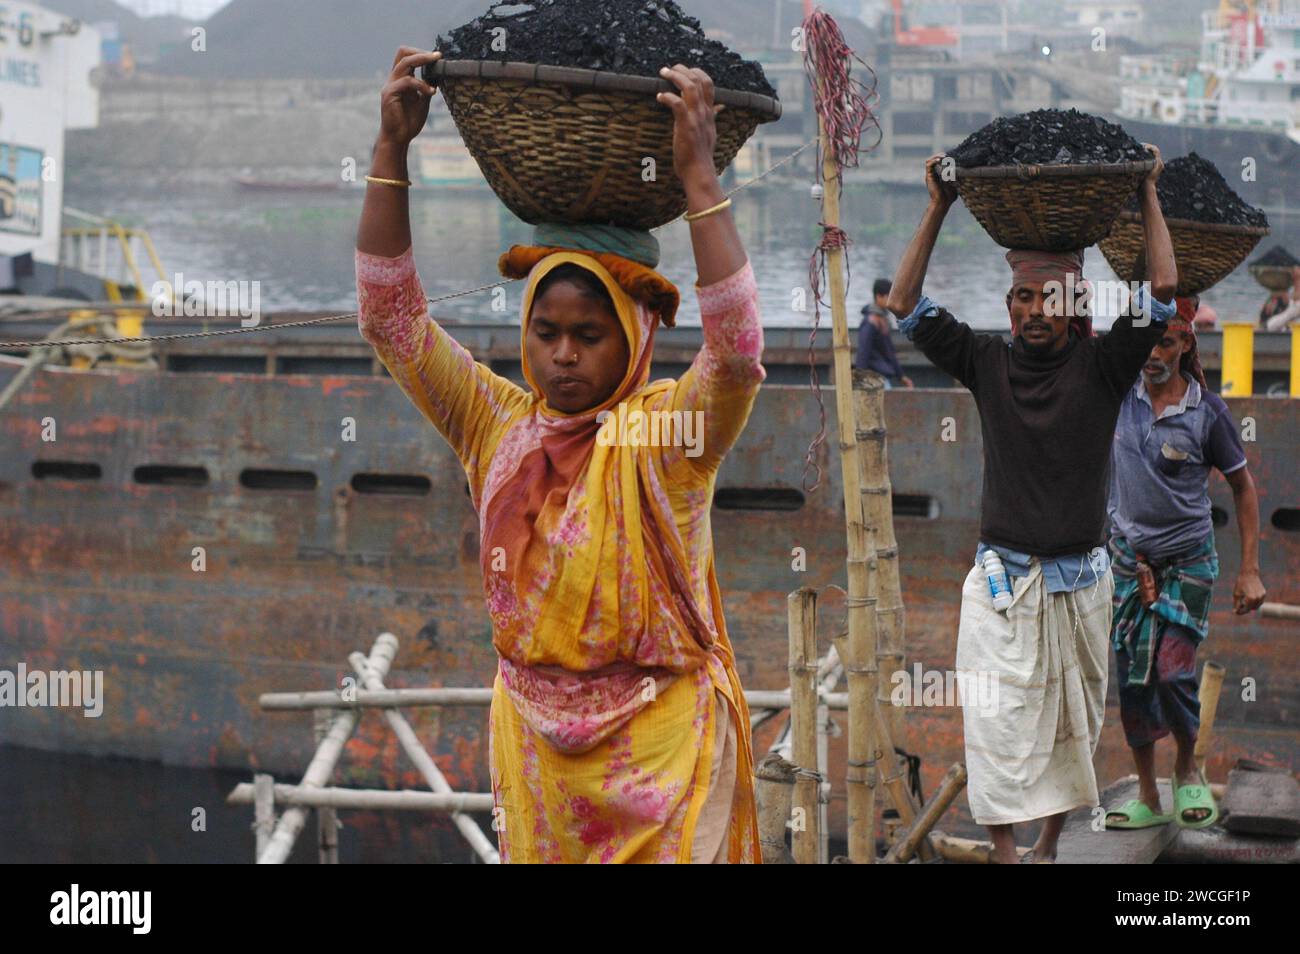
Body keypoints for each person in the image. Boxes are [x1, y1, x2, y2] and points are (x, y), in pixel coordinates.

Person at [356, 48, 765, 863]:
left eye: (589, 335)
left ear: (637, 335)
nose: (564, 356)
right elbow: (391, 321)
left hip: (661, 759)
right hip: (537, 759)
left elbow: (738, 353)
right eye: (546, 335)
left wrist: (698, 178)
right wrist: (390, 149)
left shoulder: (665, 440)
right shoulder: (494, 425)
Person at [885, 146, 1177, 864]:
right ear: (1007, 305)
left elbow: (1163, 286)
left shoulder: (1105, 365)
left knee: (1068, 727)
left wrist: (1144, 190)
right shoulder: (985, 361)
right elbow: (903, 305)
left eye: (1049, 296)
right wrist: (938, 205)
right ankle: (1007, 853)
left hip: (1079, 584)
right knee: (995, 722)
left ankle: (1048, 847)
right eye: (1021, 297)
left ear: (1074, 304)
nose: (1033, 310)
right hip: (1000, 582)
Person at [1103, 303, 1266, 832]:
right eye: (1148, 343)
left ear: (1185, 347)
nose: (1154, 354)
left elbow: (1242, 489)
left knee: (1173, 671)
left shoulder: (1208, 413)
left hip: (1188, 562)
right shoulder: (1118, 397)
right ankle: (1149, 794)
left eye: (1167, 344)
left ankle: (1187, 767)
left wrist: (1250, 570)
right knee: (1132, 681)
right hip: (1129, 563)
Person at [855, 278, 913, 387]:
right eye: (889, 296)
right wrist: (860, 378)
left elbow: (889, 351)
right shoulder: (871, 322)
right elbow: (863, 352)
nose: (891, 300)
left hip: (881, 375)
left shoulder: (882, 320)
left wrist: (901, 376)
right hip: (873, 377)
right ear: (878, 297)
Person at [1259, 266, 1300, 331]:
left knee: (1294, 309)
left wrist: (1297, 279)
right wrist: (1297, 279)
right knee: (1294, 309)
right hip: (1268, 327)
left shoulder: (1281, 295)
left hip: (1269, 326)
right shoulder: (1281, 295)